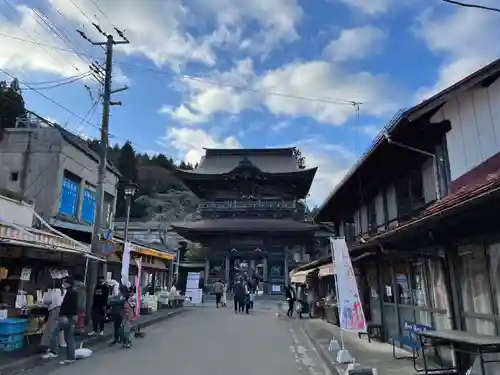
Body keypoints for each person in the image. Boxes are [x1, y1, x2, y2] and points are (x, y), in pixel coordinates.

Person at [42, 277, 78, 365]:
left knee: (59, 334)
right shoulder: (71, 292)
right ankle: (67, 356)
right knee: (64, 336)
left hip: (67, 317)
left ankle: (60, 354)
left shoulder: (71, 293)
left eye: (64, 282)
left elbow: (70, 306)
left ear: (68, 283)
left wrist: (65, 316)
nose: (63, 284)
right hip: (68, 317)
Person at [40, 281, 66, 352]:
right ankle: (62, 343)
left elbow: (46, 300)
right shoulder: (63, 290)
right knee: (59, 328)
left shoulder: (52, 291)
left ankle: (46, 346)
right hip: (63, 309)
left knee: (49, 328)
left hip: (55, 309)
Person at [108, 280, 126, 345]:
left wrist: (111, 300)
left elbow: (119, 301)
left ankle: (120, 338)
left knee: (119, 326)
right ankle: (116, 338)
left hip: (119, 312)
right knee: (116, 326)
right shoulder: (114, 293)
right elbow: (109, 301)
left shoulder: (120, 293)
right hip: (114, 312)